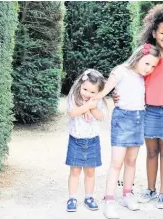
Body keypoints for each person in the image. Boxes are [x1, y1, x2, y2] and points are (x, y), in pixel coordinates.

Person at [113, 3, 163, 209]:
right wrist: (117, 95)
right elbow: (130, 77)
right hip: (148, 110)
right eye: (162, 32)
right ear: (154, 33)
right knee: (151, 152)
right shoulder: (148, 57)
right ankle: (150, 189)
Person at [93, 44, 160, 219]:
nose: (149, 69)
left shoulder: (143, 77)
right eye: (147, 64)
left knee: (131, 160)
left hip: (139, 118)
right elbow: (102, 93)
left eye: (153, 66)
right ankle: (109, 201)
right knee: (117, 162)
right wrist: (86, 106)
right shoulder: (120, 71)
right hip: (122, 119)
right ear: (138, 57)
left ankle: (127, 194)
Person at [65, 69, 107, 212]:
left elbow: (101, 117)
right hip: (76, 140)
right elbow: (71, 113)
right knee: (75, 171)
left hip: (92, 141)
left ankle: (89, 197)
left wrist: (92, 108)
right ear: (80, 85)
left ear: (98, 92)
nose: (87, 94)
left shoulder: (98, 101)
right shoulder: (73, 96)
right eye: (85, 89)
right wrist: (86, 107)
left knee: (90, 172)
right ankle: (72, 198)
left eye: (92, 92)